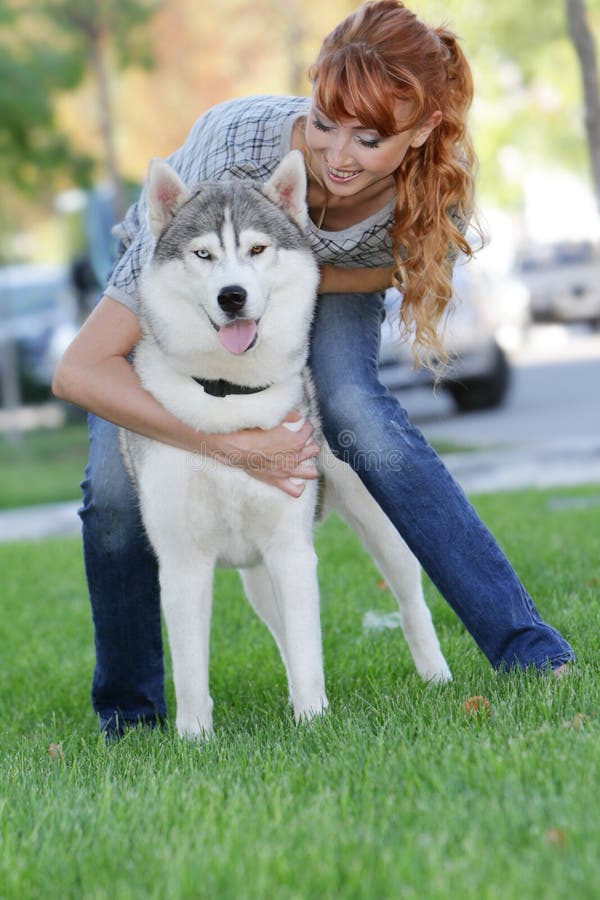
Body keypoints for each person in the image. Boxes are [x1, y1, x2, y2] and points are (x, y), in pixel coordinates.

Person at [53, 0, 574, 737]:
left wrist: (296, 279)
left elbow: (400, 271)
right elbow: (80, 370)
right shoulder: (235, 144)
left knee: (358, 416)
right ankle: (133, 717)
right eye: (326, 119)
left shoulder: (433, 192)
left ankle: (527, 647)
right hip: (195, 278)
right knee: (112, 486)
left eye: (370, 137)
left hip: (316, 287)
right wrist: (225, 442)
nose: (337, 152)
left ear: (420, 132)